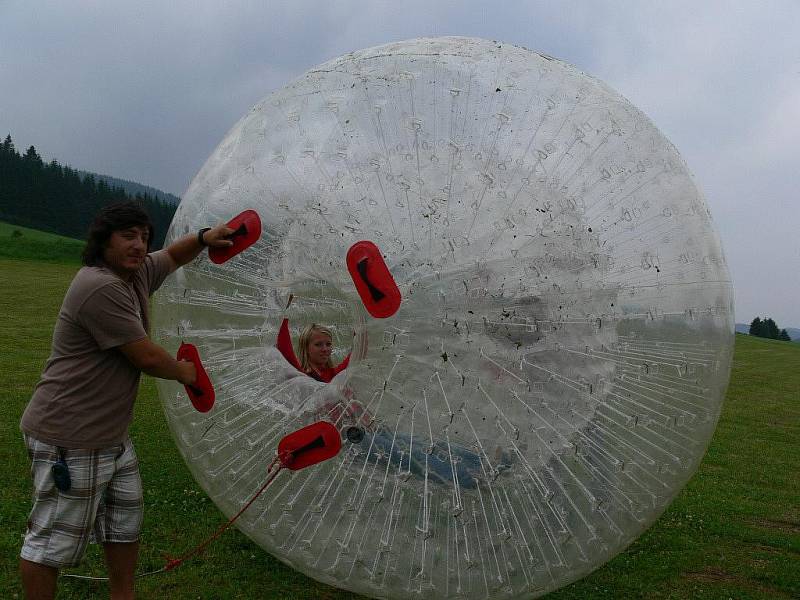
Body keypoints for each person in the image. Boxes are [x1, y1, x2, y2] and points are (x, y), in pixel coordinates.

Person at [18, 201, 234, 600]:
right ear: (104, 241)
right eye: (128, 236)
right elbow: (146, 356)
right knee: (50, 542)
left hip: (112, 437)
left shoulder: (135, 274)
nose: (139, 245)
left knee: (124, 525)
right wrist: (189, 373)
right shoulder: (99, 285)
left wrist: (204, 239)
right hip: (69, 436)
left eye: (143, 236)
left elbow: (171, 256)